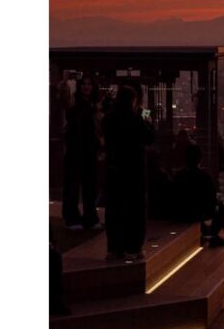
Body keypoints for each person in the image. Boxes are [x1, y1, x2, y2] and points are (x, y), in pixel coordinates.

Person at [103, 84, 155, 261]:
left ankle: (113, 248)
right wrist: (145, 116)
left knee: (114, 209)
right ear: (133, 100)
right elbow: (150, 137)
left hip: (114, 169)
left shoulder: (110, 117)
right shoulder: (137, 118)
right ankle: (133, 247)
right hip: (134, 170)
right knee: (135, 209)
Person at [59, 73, 102, 231]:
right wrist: (64, 84)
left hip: (90, 148)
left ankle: (90, 217)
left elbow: (99, 125)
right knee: (72, 184)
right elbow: (65, 102)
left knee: (90, 185)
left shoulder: (94, 103)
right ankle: (72, 218)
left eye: (89, 84)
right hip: (75, 147)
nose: (86, 87)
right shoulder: (74, 100)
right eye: (84, 84)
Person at [169, 142, 218, 225]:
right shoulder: (205, 177)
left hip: (181, 215)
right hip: (200, 215)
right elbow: (211, 199)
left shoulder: (179, 176)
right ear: (200, 159)